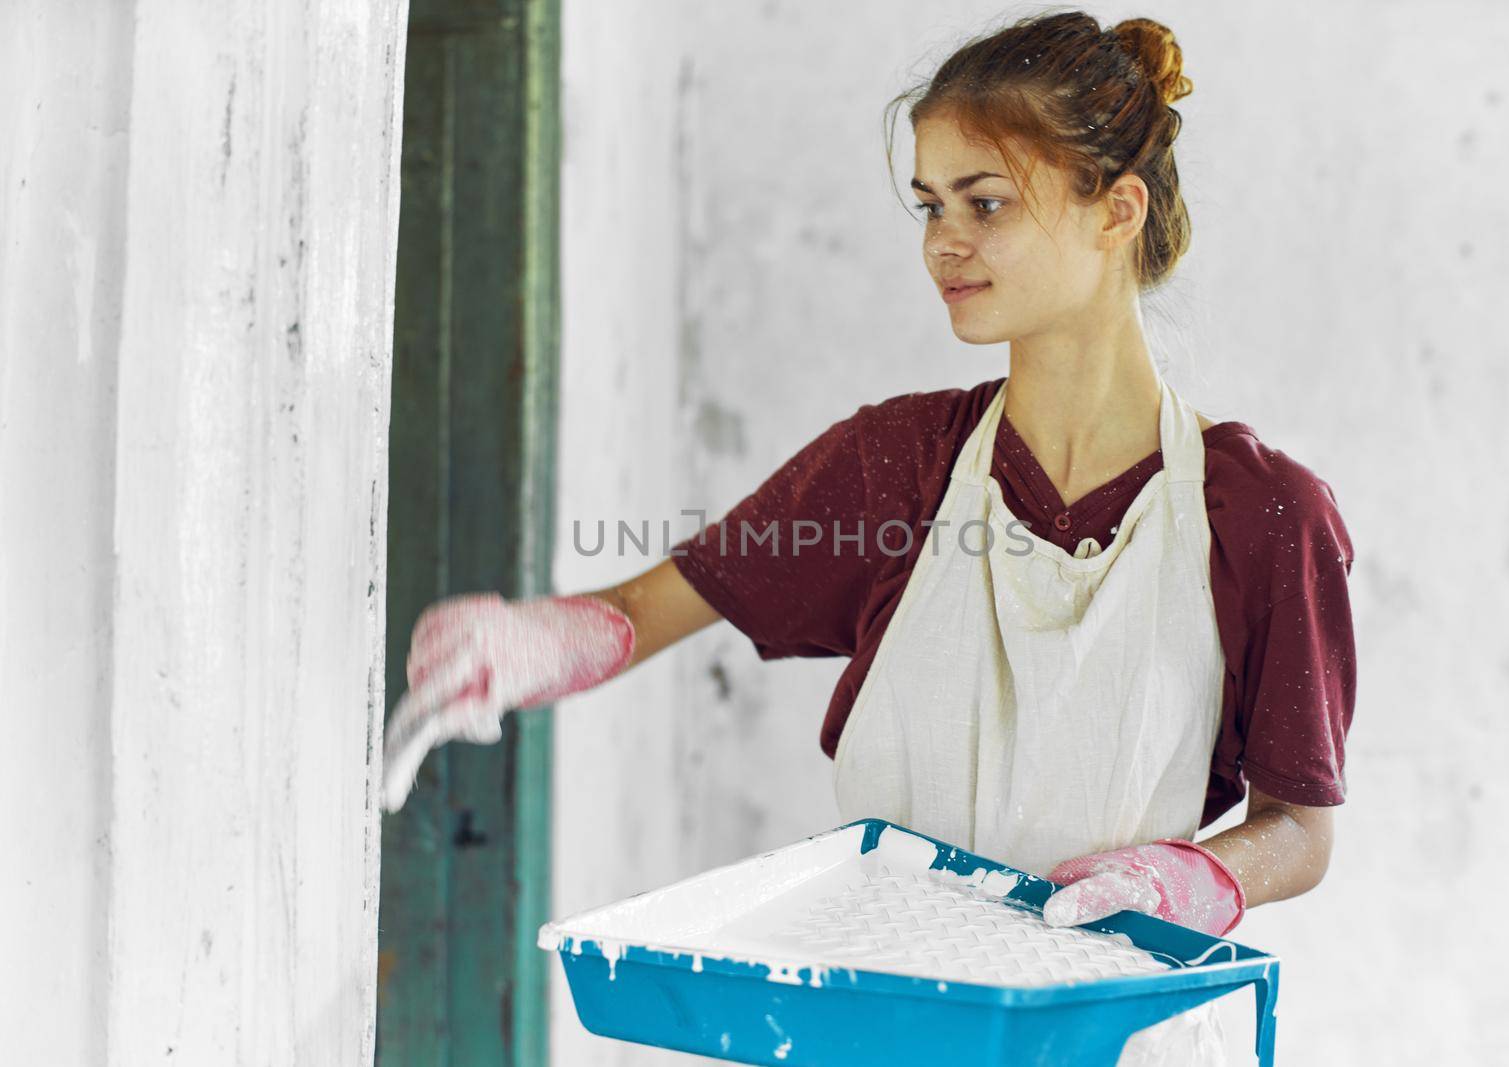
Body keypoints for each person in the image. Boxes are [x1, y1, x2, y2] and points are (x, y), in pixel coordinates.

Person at [381, 10, 1355, 1062]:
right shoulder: (896, 463)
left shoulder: (1263, 513)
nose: (942, 240)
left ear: (1116, 210)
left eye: (985, 203)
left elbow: (1297, 828)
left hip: (1118, 1033)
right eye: (929, 204)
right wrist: (536, 639)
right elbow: (643, 611)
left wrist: (1196, 876)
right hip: (888, 1020)